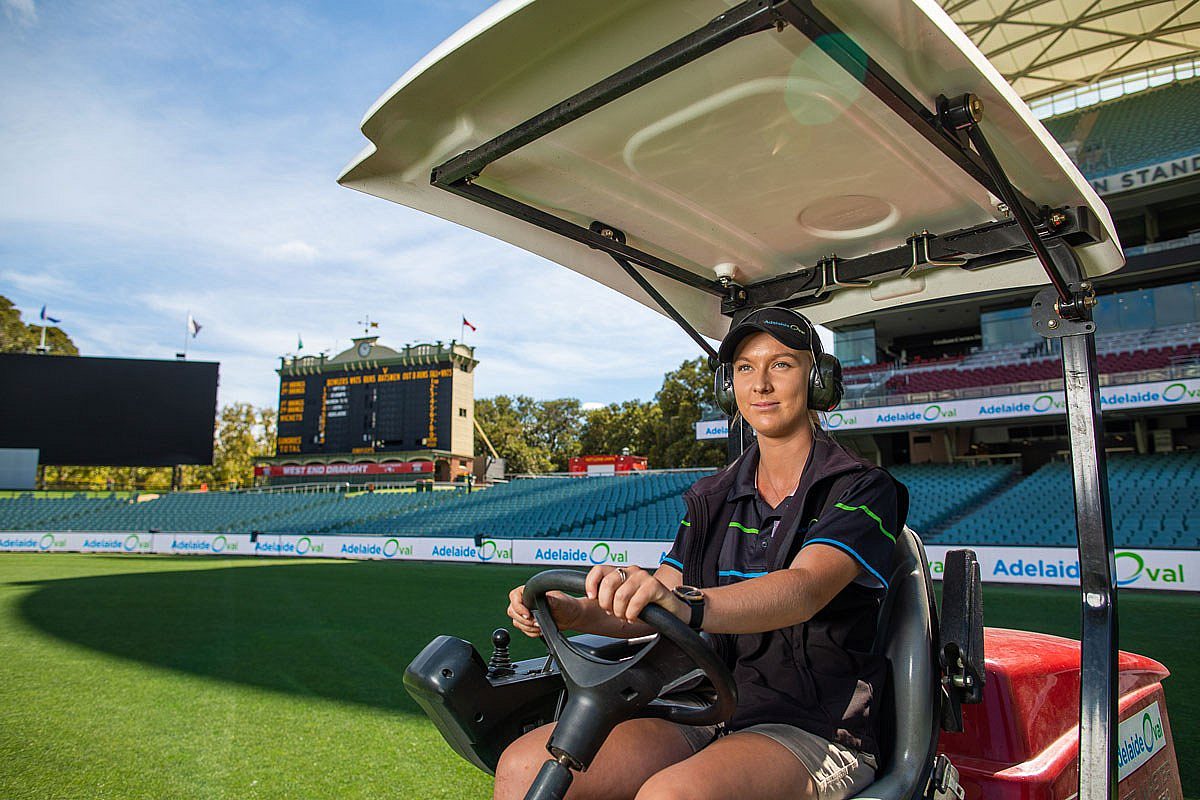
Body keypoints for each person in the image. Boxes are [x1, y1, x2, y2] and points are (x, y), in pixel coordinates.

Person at [496, 307, 907, 800]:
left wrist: (690, 605)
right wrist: (576, 613)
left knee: (673, 797)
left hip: (811, 721)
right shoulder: (711, 497)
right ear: (728, 386)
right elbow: (657, 604)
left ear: (818, 380)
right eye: (745, 368)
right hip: (703, 705)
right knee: (521, 767)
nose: (761, 384)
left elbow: (803, 589)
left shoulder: (861, 487)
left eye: (781, 365)